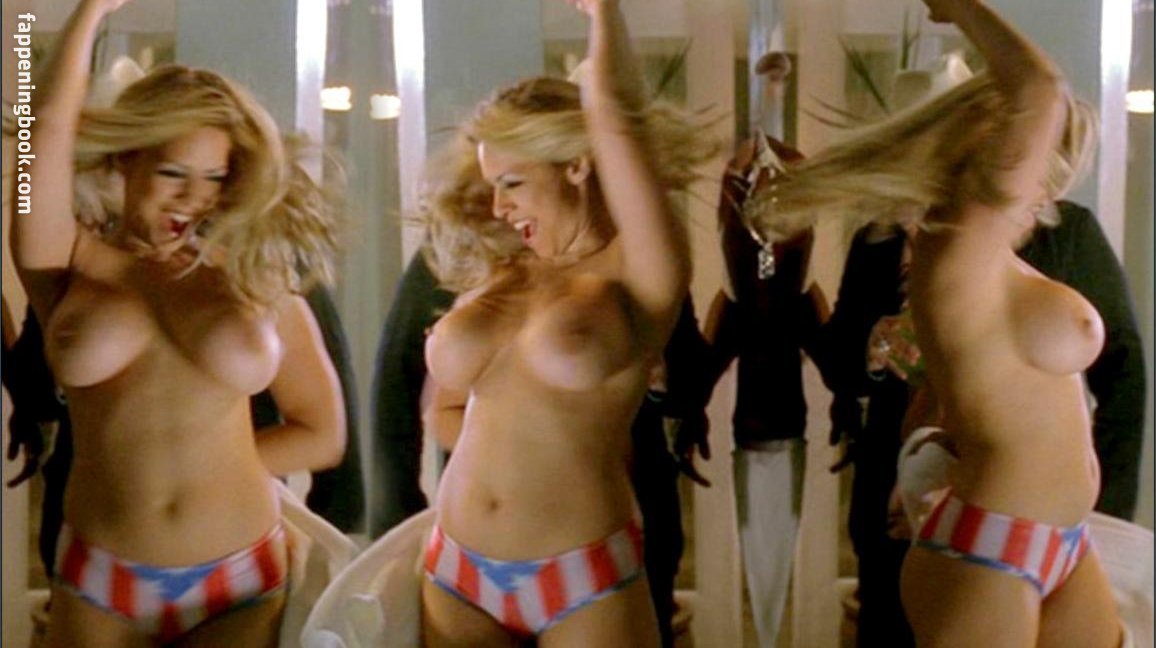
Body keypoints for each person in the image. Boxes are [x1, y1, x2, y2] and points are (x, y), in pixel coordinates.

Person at [747, 0, 1122, 644]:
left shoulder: (987, 261)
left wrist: (920, 467)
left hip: (1059, 539)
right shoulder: (953, 248)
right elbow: (1041, 88)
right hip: (994, 546)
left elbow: (957, 390)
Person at [9, 0, 345, 645]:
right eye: (172, 173)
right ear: (123, 161)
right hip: (100, 576)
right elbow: (41, 132)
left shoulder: (255, 278)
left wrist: (214, 469)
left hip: (239, 577)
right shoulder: (67, 263)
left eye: (214, 177)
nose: (194, 197)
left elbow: (322, 433)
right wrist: (89, 12)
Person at [416, 0, 717, 644]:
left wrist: (603, 14)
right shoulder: (502, 269)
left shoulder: (639, 271)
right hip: (454, 570)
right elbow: (446, 410)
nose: (500, 207)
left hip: (578, 576)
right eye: (493, 185)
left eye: (514, 183)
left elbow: (616, 118)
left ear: (576, 164)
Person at [820, 199, 1146, 646]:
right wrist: (876, 344)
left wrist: (1106, 511)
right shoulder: (882, 236)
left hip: (1050, 518)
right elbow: (839, 364)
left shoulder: (1066, 231)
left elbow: (1125, 373)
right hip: (906, 493)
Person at [370, 249, 709, 646]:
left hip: (590, 548)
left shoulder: (629, 265)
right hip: (463, 560)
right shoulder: (490, 264)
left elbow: (689, 385)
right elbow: (436, 408)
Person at [700, 49, 828, 648]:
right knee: (763, 549)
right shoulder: (748, 299)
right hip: (754, 428)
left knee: (772, 550)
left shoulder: (792, 300)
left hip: (780, 425)